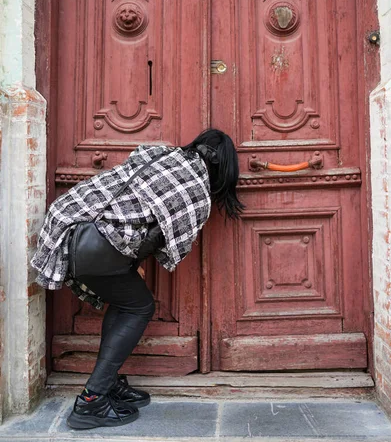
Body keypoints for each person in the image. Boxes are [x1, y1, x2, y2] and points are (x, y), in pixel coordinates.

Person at [31, 129, 244, 430]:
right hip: (92, 242)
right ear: (224, 167)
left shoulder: (164, 155)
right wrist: (134, 257)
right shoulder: (195, 187)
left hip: (68, 220)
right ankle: (91, 401)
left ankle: (108, 383)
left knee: (125, 301)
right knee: (139, 306)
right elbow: (162, 237)